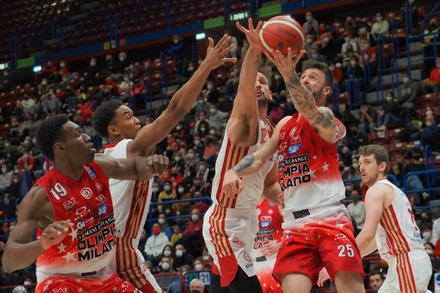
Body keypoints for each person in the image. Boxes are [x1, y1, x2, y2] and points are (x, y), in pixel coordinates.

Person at [92, 34, 236, 292]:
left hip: (97, 251)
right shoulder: (129, 147)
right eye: (128, 117)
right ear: (114, 130)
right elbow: (174, 111)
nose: (136, 120)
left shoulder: (105, 158)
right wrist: (206, 66)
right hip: (119, 252)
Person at [222, 49, 365, 292]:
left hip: (329, 218)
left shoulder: (327, 119)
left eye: (313, 78)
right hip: (294, 225)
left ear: (326, 90)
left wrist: (289, 74)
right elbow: (258, 158)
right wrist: (233, 170)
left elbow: (309, 110)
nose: (306, 80)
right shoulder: (285, 124)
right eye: (303, 75)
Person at [1, 114, 169, 292]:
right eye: (79, 134)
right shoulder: (40, 197)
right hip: (61, 282)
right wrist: (42, 243)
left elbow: (135, 167)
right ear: (60, 147)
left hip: (104, 277)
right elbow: (9, 262)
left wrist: (152, 164)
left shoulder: (98, 165)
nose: (88, 137)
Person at [202, 19, 280, 293]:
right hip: (226, 220)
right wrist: (254, 50)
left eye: (264, 81)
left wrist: (286, 197)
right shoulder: (245, 122)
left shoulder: (272, 131)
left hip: (249, 220)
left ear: (271, 92)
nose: (257, 84)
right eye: (255, 80)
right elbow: (245, 89)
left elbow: (270, 183)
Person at [352, 144, 431, 291]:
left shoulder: (376, 191)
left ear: (382, 166)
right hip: (406, 262)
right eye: (360, 163)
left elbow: (368, 233)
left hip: (406, 261)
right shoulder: (392, 190)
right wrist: (353, 259)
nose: (361, 167)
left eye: (367, 162)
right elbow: (377, 240)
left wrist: (341, 260)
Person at [253, 197, 283, 293]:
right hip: (254, 265)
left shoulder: (278, 201)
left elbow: (295, 230)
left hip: (276, 261)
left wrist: (280, 244)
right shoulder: (244, 204)